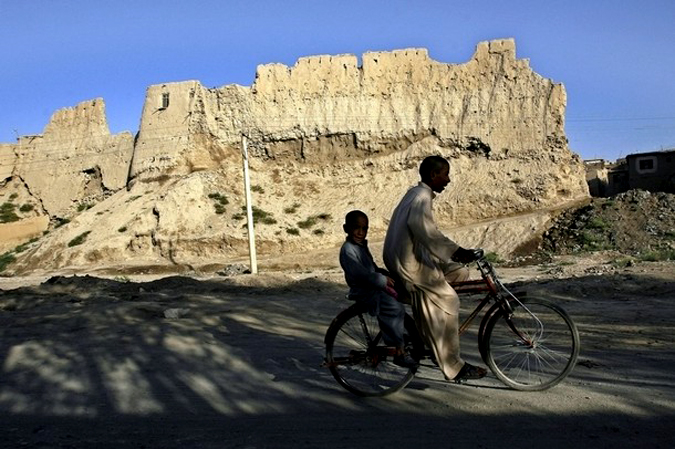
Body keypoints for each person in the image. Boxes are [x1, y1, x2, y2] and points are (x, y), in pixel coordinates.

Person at [383, 155, 487, 382]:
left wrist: (456, 257)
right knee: (450, 299)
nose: (448, 180)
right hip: (409, 263)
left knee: (459, 272)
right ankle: (453, 365)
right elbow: (428, 233)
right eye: (445, 175)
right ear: (433, 175)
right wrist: (458, 251)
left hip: (408, 256)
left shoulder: (415, 194)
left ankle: (430, 326)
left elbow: (425, 234)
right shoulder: (420, 198)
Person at [339, 210, 417, 368]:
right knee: (393, 307)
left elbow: (371, 268)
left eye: (364, 228)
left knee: (408, 294)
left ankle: (403, 333)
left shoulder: (360, 247)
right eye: (356, 228)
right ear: (346, 228)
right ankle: (398, 350)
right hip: (363, 289)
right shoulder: (348, 250)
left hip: (372, 285)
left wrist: (385, 274)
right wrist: (381, 279)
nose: (361, 232)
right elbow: (361, 274)